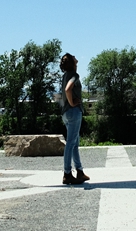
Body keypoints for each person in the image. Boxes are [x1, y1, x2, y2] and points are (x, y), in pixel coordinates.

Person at [59, 53, 89, 185]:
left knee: (75, 143)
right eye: (73, 56)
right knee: (71, 143)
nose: (77, 57)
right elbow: (68, 89)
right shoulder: (74, 75)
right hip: (73, 112)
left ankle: (80, 171)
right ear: (73, 62)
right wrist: (72, 103)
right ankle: (67, 174)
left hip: (66, 114)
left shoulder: (65, 75)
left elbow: (62, 93)